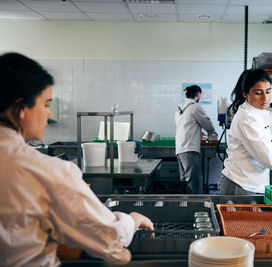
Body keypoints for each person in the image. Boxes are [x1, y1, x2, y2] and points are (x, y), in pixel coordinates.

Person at [0, 52, 154, 266]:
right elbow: (108, 237)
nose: (49, 114)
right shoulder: (42, 170)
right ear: (21, 108)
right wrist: (134, 218)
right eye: (45, 104)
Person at [175, 85, 217, 193]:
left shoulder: (180, 108)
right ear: (198, 94)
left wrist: (197, 132)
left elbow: (186, 126)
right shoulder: (195, 107)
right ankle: (193, 207)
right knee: (193, 182)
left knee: (184, 180)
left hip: (180, 149)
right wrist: (212, 133)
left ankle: (183, 205)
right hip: (189, 149)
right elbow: (206, 122)